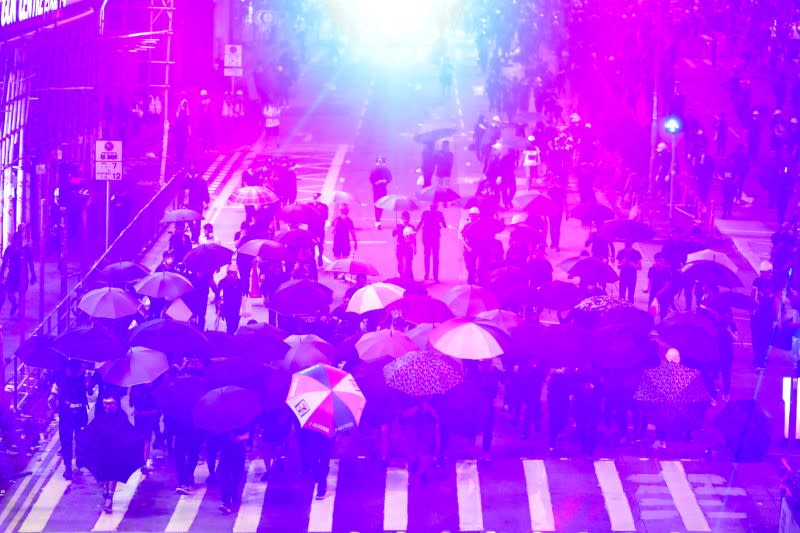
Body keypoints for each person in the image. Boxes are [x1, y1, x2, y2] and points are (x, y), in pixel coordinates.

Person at [48, 360, 88, 481]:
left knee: (80, 438)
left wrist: (88, 383)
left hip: (79, 412)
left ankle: (79, 460)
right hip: (66, 413)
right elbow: (55, 387)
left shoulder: (82, 377)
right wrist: (52, 396)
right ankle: (68, 467)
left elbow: (87, 392)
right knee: (66, 440)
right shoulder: (61, 376)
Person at [0, 233, 35, 317]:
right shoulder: (9, 249)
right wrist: (1, 275)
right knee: (9, 294)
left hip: (23, 276)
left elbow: (30, 263)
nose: (15, 242)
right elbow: (4, 263)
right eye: (14, 240)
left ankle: (20, 313)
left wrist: (33, 275)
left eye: (17, 240)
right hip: (12, 275)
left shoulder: (26, 249)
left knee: (21, 295)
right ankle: (14, 304)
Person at [751, 261, 778, 369]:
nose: (770, 274)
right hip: (759, 316)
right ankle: (758, 362)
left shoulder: (770, 283)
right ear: (764, 272)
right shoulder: (758, 283)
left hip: (766, 317)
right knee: (759, 340)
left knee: (764, 340)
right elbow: (754, 296)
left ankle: (760, 360)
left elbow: (774, 301)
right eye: (769, 272)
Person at [129, 382, 160, 475]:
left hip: (138, 415)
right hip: (150, 416)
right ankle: (144, 462)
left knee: (140, 438)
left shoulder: (135, 386)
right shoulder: (154, 387)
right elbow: (157, 402)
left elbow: (131, 403)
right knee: (147, 439)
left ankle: (139, 459)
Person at [218, 428, 250, 514]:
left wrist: (237, 438)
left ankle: (235, 498)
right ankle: (226, 501)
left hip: (238, 450)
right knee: (224, 476)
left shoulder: (241, 422)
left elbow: (247, 435)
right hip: (225, 451)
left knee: (237, 476)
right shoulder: (222, 423)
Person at [298, 428, 334, 500]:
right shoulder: (332, 419)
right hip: (326, 442)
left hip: (314, 443)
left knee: (315, 462)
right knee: (323, 465)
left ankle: (316, 477)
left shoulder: (312, 421)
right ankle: (321, 491)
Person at [417, 203, 447, 282]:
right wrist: (439, 224)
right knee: (435, 257)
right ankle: (435, 276)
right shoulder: (439, 214)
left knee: (427, 256)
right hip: (435, 238)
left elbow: (420, 223)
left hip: (427, 237)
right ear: (436, 207)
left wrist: (415, 231)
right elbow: (444, 225)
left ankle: (426, 275)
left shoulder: (425, 213)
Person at [644, 252, 674, 320]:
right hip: (653, 291)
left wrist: (660, 292)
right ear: (655, 261)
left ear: (664, 261)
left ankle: (662, 322)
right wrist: (648, 288)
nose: (659, 262)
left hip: (664, 292)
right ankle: (651, 322)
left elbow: (667, 284)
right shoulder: (652, 269)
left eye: (661, 260)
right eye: (657, 260)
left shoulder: (667, 270)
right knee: (651, 308)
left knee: (663, 310)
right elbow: (650, 279)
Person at [216, 265, 245, 334]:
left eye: (233, 273)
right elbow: (218, 291)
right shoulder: (224, 281)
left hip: (237, 306)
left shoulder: (239, 282)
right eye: (230, 273)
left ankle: (232, 336)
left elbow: (244, 291)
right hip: (227, 305)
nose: (232, 275)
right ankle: (230, 337)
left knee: (235, 324)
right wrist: (218, 301)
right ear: (227, 273)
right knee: (229, 324)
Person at [370, 157, 392, 229]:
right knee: (377, 205)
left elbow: (390, 178)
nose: (380, 163)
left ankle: (378, 219)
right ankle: (377, 221)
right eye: (378, 162)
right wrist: (376, 182)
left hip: (383, 190)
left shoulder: (386, 170)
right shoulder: (374, 171)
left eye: (381, 162)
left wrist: (385, 181)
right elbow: (371, 179)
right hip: (376, 191)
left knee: (382, 206)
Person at [308, 193, 329, 267]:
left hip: (312, 229)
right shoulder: (324, 206)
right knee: (318, 244)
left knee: (313, 245)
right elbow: (326, 217)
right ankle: (318, 258)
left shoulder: (309, 206)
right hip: (318, 228)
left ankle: (316, 258)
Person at [392, 211, 415, 277]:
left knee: (409, 263)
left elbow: (414, 238)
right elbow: (393, 235)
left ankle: (409, 277)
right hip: (400, 246)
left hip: (408, 247)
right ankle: (401, 275)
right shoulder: (398, 226)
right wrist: (394, 229)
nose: (406, 220)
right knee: (400, 263)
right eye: (404, 218)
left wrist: (415, 247)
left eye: (407, 218)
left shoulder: (411, 227)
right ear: (402, 218)